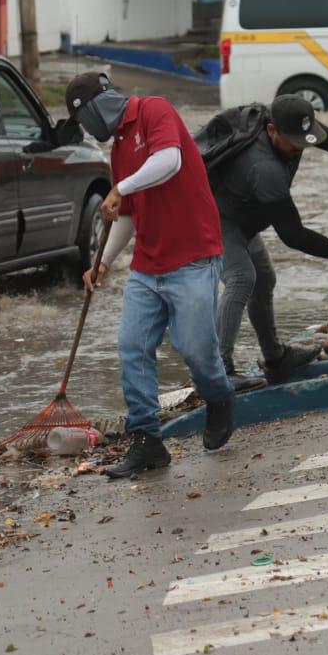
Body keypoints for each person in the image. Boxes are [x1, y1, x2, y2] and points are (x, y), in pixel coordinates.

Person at [64, 72, 235, 478]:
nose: (88, 131)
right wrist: (102, 261)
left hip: (193, 258)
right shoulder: (119, 150)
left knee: (194, 348)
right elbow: (127, 215)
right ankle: (147, 441)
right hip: (147, 266)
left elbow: (169, 161)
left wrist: (121, 186)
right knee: (132, 347)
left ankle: (219, 396)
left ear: (96, 108)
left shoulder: (154, 110)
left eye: (84, 121)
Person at [202, 95, 328, 391]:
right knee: (241, 277)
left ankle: (276, 358)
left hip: (244, 217)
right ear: (272, 130)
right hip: (214, 218)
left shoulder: (295, 129)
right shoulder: (265, 168)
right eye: (294, 143)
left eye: (306, 138)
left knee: (264, 280)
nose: (301, 147)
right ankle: (217, 371)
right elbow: (293, 235)